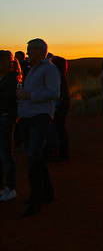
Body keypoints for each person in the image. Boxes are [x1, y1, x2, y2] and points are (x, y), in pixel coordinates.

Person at [16, 38, 61, 217]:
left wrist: (29, 95)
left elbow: (54, 93)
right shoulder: (33, 69)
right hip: (27, 117)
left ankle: (36, 199)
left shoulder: (49, 69)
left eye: (29, 49)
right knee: (36, 156)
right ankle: (47, 192)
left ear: (39, 50)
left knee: (34, 157)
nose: (27, 53)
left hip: (40, 117)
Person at [0, 50, 20, 201]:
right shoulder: (7, 78)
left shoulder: (11, 79)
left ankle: (11, 187)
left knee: (6, 153)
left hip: (6, 118)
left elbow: (6, 100)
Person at [47, 56, 70, 162]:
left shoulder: (58, 76)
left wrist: (56, 106)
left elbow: (59, 94)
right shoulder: (61, 75)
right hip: (62, 105)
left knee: (58, 129)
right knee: (60, 129)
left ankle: (61, 153)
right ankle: (62, 152)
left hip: (59, 106)